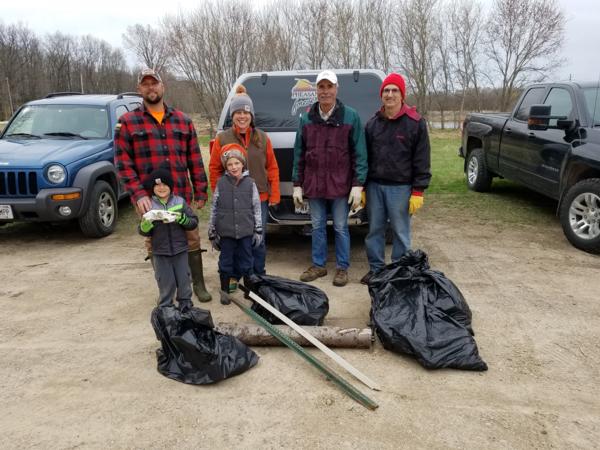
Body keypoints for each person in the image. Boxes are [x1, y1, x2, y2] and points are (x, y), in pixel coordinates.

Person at [114, 68, 212, 302]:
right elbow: (123, 163)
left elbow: (195, 159)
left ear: (162, 86)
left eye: (154, 83)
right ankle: (166, 289)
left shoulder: (183, 120)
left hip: (180, 194)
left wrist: (200, 190)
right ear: (140, 89)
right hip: (150, 200)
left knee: (190, 237)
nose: (151, 88)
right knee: (155, 242)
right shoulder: (127, 123)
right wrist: (138, 195)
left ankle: (196, 284)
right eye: (145, 84)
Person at [292, 70, 367, 287]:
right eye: (321, 87)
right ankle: (319, 265)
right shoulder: (306, 118)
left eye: (329, 87)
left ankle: (342, 268)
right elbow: (299, 152)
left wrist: (357, 184)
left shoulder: (350, 116)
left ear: (336, 89)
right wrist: (297, 184)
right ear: (316, 90)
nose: (325, 91)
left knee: (341, 227)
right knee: (317, 226)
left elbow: (359, 153)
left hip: (340, 185)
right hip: (314, 185)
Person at [361, 73, 431, 285]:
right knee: (374, 230)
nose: (389, 95)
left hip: (401, 188)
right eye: (386, 91)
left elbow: (422, 159)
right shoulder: (373, 124)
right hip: (375, 186)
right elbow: (365, 157)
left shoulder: (415, 123)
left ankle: (399, 270)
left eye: (394, 90)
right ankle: (376, 269)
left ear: (402, 95)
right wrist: (362, 186)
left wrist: (418, 191)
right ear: (381, 95)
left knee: (400, 232)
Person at [209, 85, 280, 276]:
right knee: (234, 239)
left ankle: (258, 276)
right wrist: (219, 193)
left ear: (252, 115)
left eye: (246, 112)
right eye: (238, 112)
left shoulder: (262, 138)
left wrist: (274, 194)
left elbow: (272, 167)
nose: (242, 116)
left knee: (258, 239)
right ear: (232, 115)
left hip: (260, 198)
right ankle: (235, 275)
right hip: (231, 199)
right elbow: (215, 169)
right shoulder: (222, 139)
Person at [208, 145, 263, 305]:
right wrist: (212, 230)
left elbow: (257, 207)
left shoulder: (250, 183)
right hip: (226, 232)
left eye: (236, 163)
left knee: (247, 260)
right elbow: (214, 207)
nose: (233, 167)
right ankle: (225, 292)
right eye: (230, 164)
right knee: (225, 261)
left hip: (246, 231)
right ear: (226, 166)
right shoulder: (221, 183)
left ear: (242, 164)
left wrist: (258, 229)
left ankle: (249, 292)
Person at [138, 164, 198, 312]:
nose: (161, 188)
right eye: (157, 186)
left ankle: (186, 306)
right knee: (166, 281)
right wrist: (147, 224)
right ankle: (166, 308)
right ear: (153, 188)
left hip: (180, 250)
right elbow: (142, 231)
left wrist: (182, 219)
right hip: (160, 251)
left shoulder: (179, 202)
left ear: (171, 186)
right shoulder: (149, 206)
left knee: (184, 280)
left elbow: (193, 222)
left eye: (165, 184)